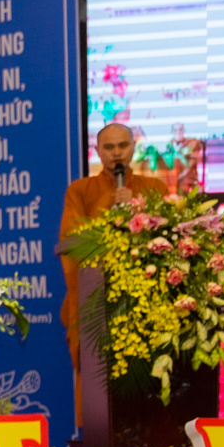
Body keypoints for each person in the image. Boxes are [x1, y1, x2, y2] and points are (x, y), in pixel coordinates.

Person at [60, 122, 164, 354]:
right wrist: (111, 203)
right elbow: (72, 242)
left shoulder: (155, 188)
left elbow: (167, 238)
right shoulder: (80, 191)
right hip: (97, 303)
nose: (117, 153)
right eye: (108, 147)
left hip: (147, 301)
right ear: (97, 151)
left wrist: (136, 208)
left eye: (123, 145)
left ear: (133, 147)